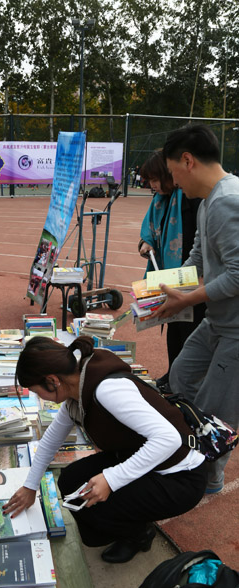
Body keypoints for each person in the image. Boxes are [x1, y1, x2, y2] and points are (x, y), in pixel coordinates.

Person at [2, 336, 207, 563]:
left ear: (52, 380)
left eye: (35, 390)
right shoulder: (77, 388)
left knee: (95, 513)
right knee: (70, 481)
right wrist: (30, 486)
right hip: (142, 456)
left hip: (180, 477)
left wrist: (111, 479)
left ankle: (139, 535)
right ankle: (134, 518)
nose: (37, 396)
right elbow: (51, 439)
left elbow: (168, 439)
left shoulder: (106, 391)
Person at [154, 124, 239, 494]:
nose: (173, 182)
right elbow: (197, 258)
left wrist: (186, 299)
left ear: (187, 161)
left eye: (173, 171)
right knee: (180, 377)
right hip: (217, 320)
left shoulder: (227, 201)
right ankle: (188, 451)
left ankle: (209, 476)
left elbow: (238, 275)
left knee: (216, 408)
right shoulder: (207, 201)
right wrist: (159, 291)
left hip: (236, 330)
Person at [138, 151, 205, 390]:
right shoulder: (160, 200)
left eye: (156, 179)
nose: (152, 185)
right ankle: (172, 373)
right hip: (169, 274)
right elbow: (150, 231)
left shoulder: (191, 198)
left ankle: (186, 382)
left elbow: (199, 242)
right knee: (173, 325)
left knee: (190, 329)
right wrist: (146, 243)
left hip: (193, 276)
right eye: (149, 181)